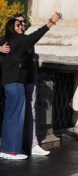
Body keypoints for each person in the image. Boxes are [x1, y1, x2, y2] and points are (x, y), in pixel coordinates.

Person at [1, 12, 60, 160]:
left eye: (22, 23)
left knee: (13, 116)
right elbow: (35, 36)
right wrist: (50, 23)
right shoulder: (19, 41)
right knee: (15, 116)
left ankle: (9, 149)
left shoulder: (11, 40)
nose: (21, 25)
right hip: (15, 81)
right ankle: (11, 151)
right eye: (18, 24)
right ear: (11, 27)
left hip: (17, 81)